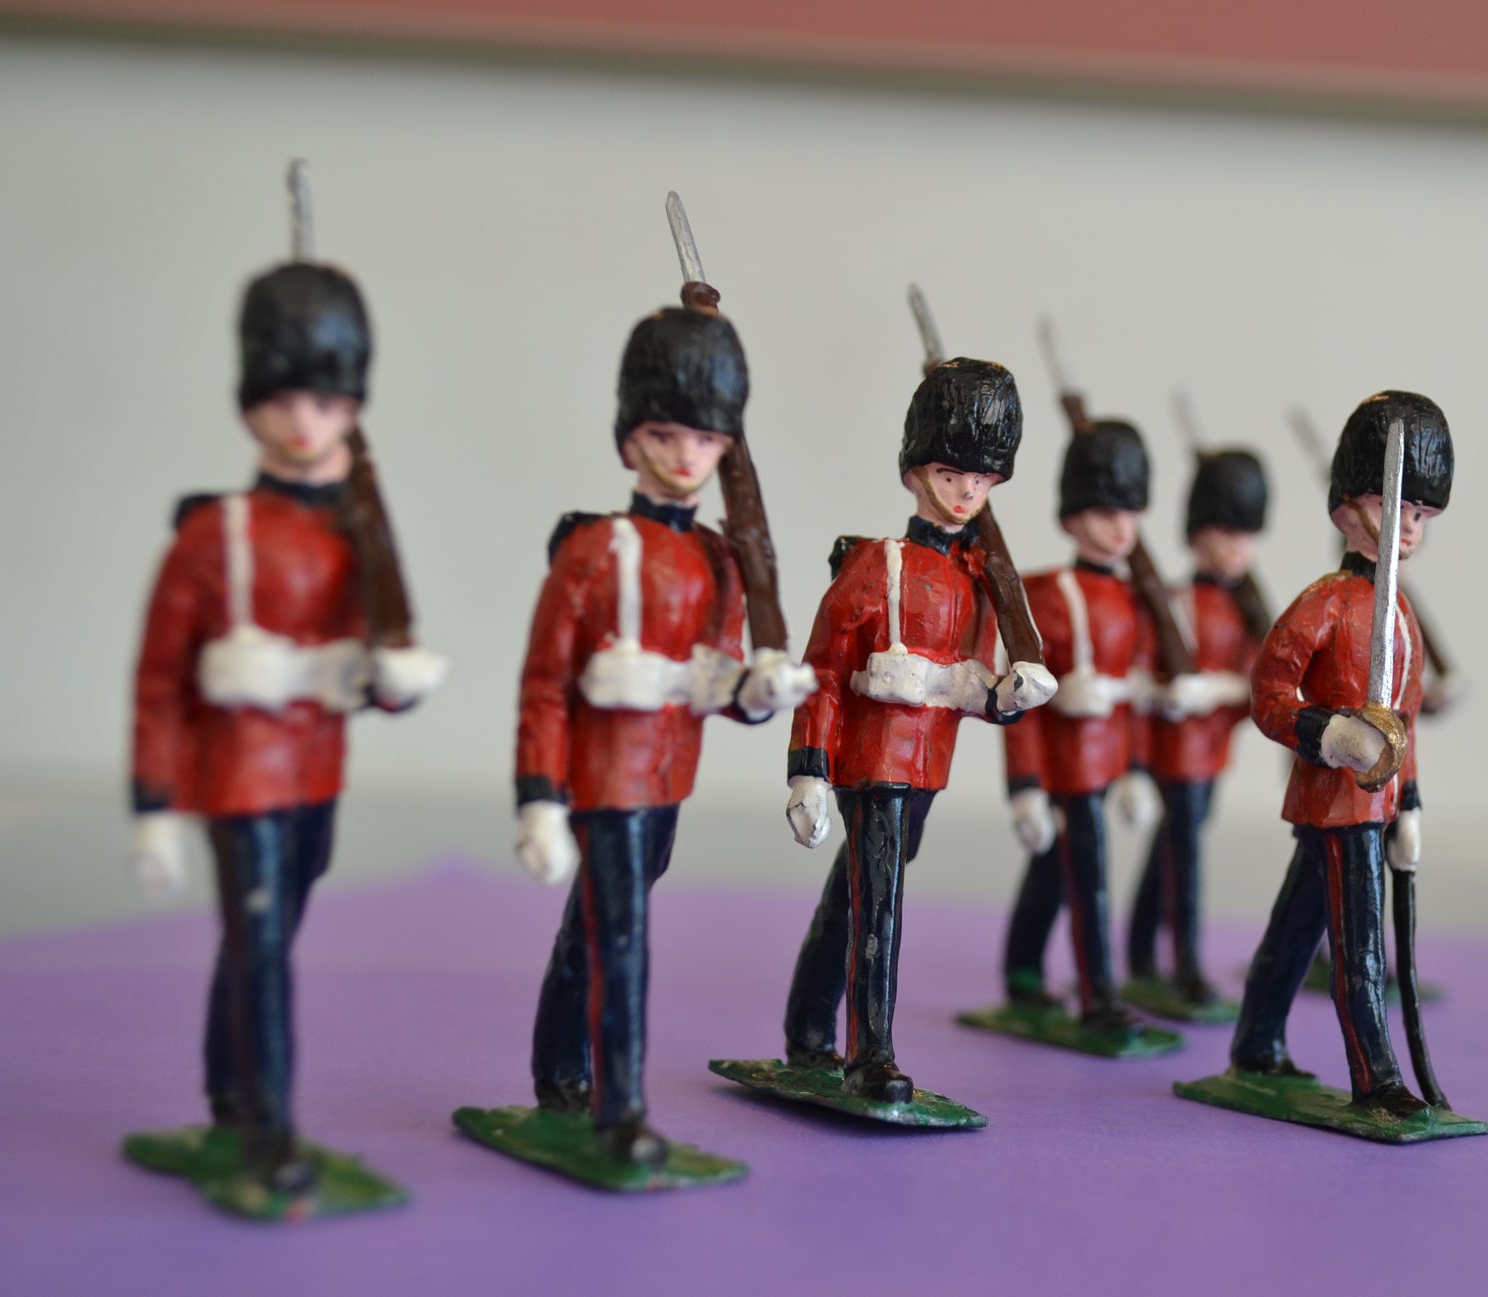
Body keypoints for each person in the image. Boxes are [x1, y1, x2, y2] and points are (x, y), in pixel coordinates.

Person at [128, 258, 445, 1193]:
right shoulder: (212, 535)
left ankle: (230, 1093)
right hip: (238, 776)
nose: (305, 422)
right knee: (263, 945)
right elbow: (159, 681)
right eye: (284, 401)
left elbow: (379, 660)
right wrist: (155, 805)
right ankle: (268, 1129)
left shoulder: (358, 533)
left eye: (326, 402)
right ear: (250, 408)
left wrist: (391, 679)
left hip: (317, 771)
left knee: (264, 938)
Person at [514, 303, 812, 1165]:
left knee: (600, 922)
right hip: (602, 776)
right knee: (624, 938)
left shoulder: (721, 558)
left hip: (668, 779)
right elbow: (545, 684)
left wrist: (758, 691)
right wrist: (539, 798)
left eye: (705, 440)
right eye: (664, 435)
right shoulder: (593, 551)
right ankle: (622, 1107)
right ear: (630, 441)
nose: (685, 457)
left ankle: (557, 1065)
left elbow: (722, 678)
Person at [780, 357, 1054, 1103]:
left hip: (930, 764)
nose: (965, 492)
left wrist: (1009, 695)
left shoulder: (980, 579)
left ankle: (806, 1024)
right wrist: (809, 769)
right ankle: (870, 1052)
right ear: (915, 473)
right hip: (871, 761)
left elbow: (975, 685)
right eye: (949, 474)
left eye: (980, 480)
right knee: (881, 904)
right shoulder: (879, 564)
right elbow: (824, 669)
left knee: (855, 896)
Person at [1229, 390, 1451, 1117]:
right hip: (1334, 799)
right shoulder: (1323, 603)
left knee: (1297, 930)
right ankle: (1375, 1077)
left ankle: (1256, 1042)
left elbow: (1404, 723)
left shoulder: (1403, 616)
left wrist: (1408, 803)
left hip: (1377, 804)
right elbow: (1269, 695)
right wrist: (1329, 734)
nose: (1408, 528)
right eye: (1393, 508)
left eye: (1420, 515)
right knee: (1360, 944)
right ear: (1347, 511)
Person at [998, 420, 1164, 1041]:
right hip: (1062, 765)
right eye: (1104, 513)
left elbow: (1136, 699)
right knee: (1088, 878)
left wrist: (1137, 769)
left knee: (1053, 872)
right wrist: (1025, 786)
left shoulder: (1136, 601)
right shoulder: (1048, 595)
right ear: (1073, 518)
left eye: (1130, 513)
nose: (1121, 528)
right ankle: (1099, 998)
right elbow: (1019, 701)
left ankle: (1021, 968)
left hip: (1106, 763)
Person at [1125, 449, 1269, 1015]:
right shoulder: (1175, 602)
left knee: (1172, 848)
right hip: (1175, 752)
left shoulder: (1245, 612)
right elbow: (1142, 675)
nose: (1236, 548)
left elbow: (1262, 686)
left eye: (1245, 536)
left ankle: (1142, 952)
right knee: (1183, 857)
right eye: (1224, 533)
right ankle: (1182, 964)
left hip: (1211, 752)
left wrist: (1216, 691)